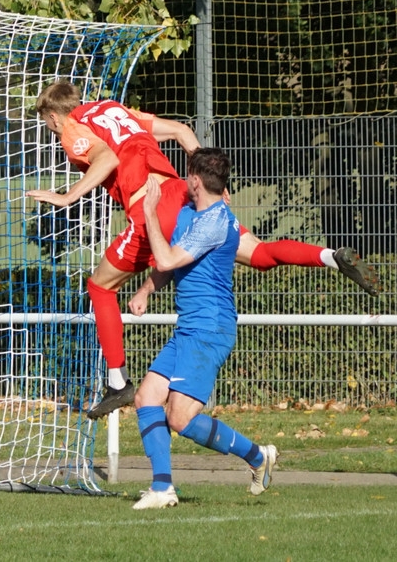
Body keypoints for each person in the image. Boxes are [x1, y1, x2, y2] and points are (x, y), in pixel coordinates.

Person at [26, 80, 381, 419]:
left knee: (100, 287)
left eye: (47, 124)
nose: (52, 130)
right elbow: (181, 131)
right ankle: (330, 257)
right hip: (185, 195)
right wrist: (210, 185)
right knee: (258, 253)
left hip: (151, 207)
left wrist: (67, 196)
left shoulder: (70, 127)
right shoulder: (114, 110)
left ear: (53, 117)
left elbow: (107, 159)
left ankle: (117, 382)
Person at [127, 147, 276, 509]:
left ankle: (258, 456)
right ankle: (162, 488)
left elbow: (166, 258)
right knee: (146, 397)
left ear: (194, 180)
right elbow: (171, 263)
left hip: (209, 329)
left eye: (187, 175)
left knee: (180, 418)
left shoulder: (214, 222)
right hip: (189, 327)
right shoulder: (188, 214)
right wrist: (146, 290)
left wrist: (149, 211)